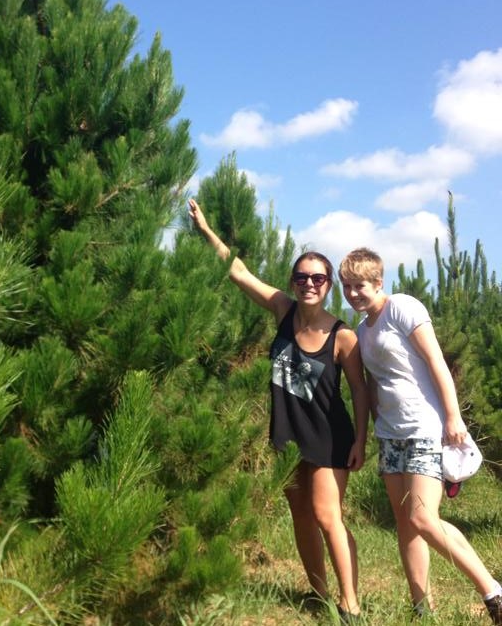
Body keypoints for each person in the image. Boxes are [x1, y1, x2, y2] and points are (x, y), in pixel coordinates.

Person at [189, 199, 368, 622]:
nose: (309, 283)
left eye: (318, 278)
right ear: (294, 280)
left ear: (329, 286)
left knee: (327, 516)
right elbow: (239, 272)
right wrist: (206, 230)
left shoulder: (343, 337)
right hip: (288, 436)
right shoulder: (283, 311)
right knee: (300, 515)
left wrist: (361, 439)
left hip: (329, 438)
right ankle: (319, 593)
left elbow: (360, 391)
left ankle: (351, 605)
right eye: (302, 276)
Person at [339, 247, 502, 623]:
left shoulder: (402, 308)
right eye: (346, 286)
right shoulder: (363, 330)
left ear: (378, 282)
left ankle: (493, 592)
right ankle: (421, 608)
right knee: (405, 523)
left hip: (425, 428)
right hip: (391, 435)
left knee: (423, 519)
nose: (352, 293)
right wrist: (372, 431)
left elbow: (436, 362)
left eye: (359, 285)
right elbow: (375, 386)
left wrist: (452, 417)